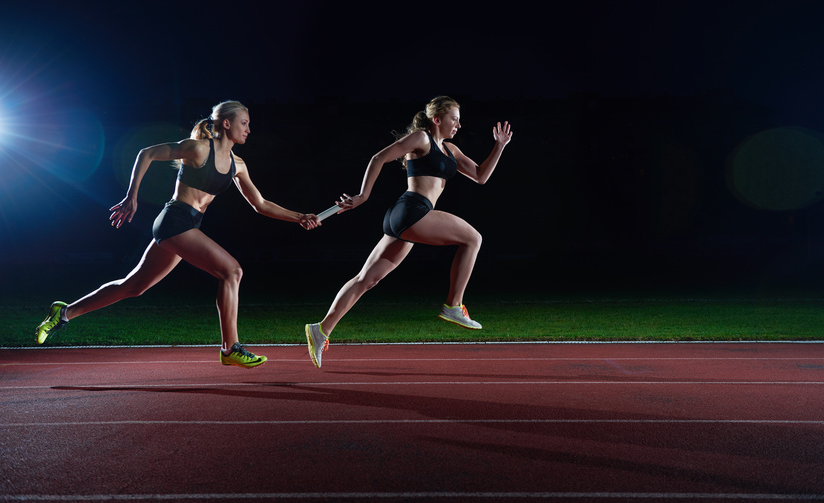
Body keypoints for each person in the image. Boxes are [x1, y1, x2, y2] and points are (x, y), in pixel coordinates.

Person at [36, 100, 320, 368]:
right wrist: (132, 196)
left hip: (188, 226)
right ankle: (230, 349)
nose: (248, 129)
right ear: (225, 124)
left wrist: (300, 217)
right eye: (244, 123)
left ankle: (63, 312)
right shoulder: (198, 149)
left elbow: (260, 204)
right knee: (231, 271)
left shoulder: (238, 165)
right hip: (174, 220)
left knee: (134, 286)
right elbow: (146, 153)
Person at [305, 95, 512, 368]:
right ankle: (453, 305)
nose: (458, 125)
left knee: (366, 279)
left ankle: (321, 329)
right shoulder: (422, 138)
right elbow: (379, 158)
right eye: (454, 119)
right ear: (437, 119)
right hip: (414, 210)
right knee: (473, 238)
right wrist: (364, 195)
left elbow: (480, 176)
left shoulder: (450, 150)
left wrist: (499, 146)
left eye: (460, 120)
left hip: (403, 218)